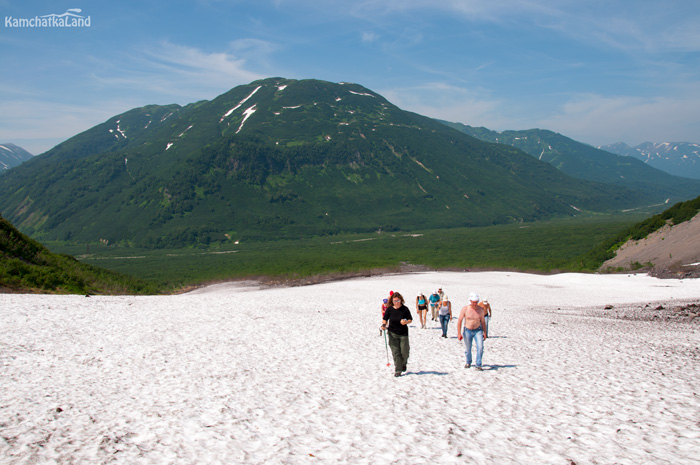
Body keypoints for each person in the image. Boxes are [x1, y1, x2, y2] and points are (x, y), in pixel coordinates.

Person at [381, 292, 413, 377]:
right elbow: (385, 319)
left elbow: (410, 319)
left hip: (403, 334)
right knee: (396, 352)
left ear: (401, 300)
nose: (396, 302)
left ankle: (403, 363)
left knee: (404, 352)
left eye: (398, 300)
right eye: (394, 301)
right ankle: (398, 370)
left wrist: (406, 322)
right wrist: (383, 325)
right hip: (392, 333)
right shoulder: (389, 309)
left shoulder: (405, 309)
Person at [457, 292, 488, 370]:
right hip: (468, 330)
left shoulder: (480, 310)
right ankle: (468, 362)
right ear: (470, 301)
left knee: (480, 347)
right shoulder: (465, 309)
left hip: (478, 330)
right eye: (473, 302)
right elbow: (460, 320)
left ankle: (478, 364)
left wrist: (485, 332)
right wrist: (459, 333)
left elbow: (483, 322)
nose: (474, 304)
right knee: (468, 348)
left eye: (476, 302)